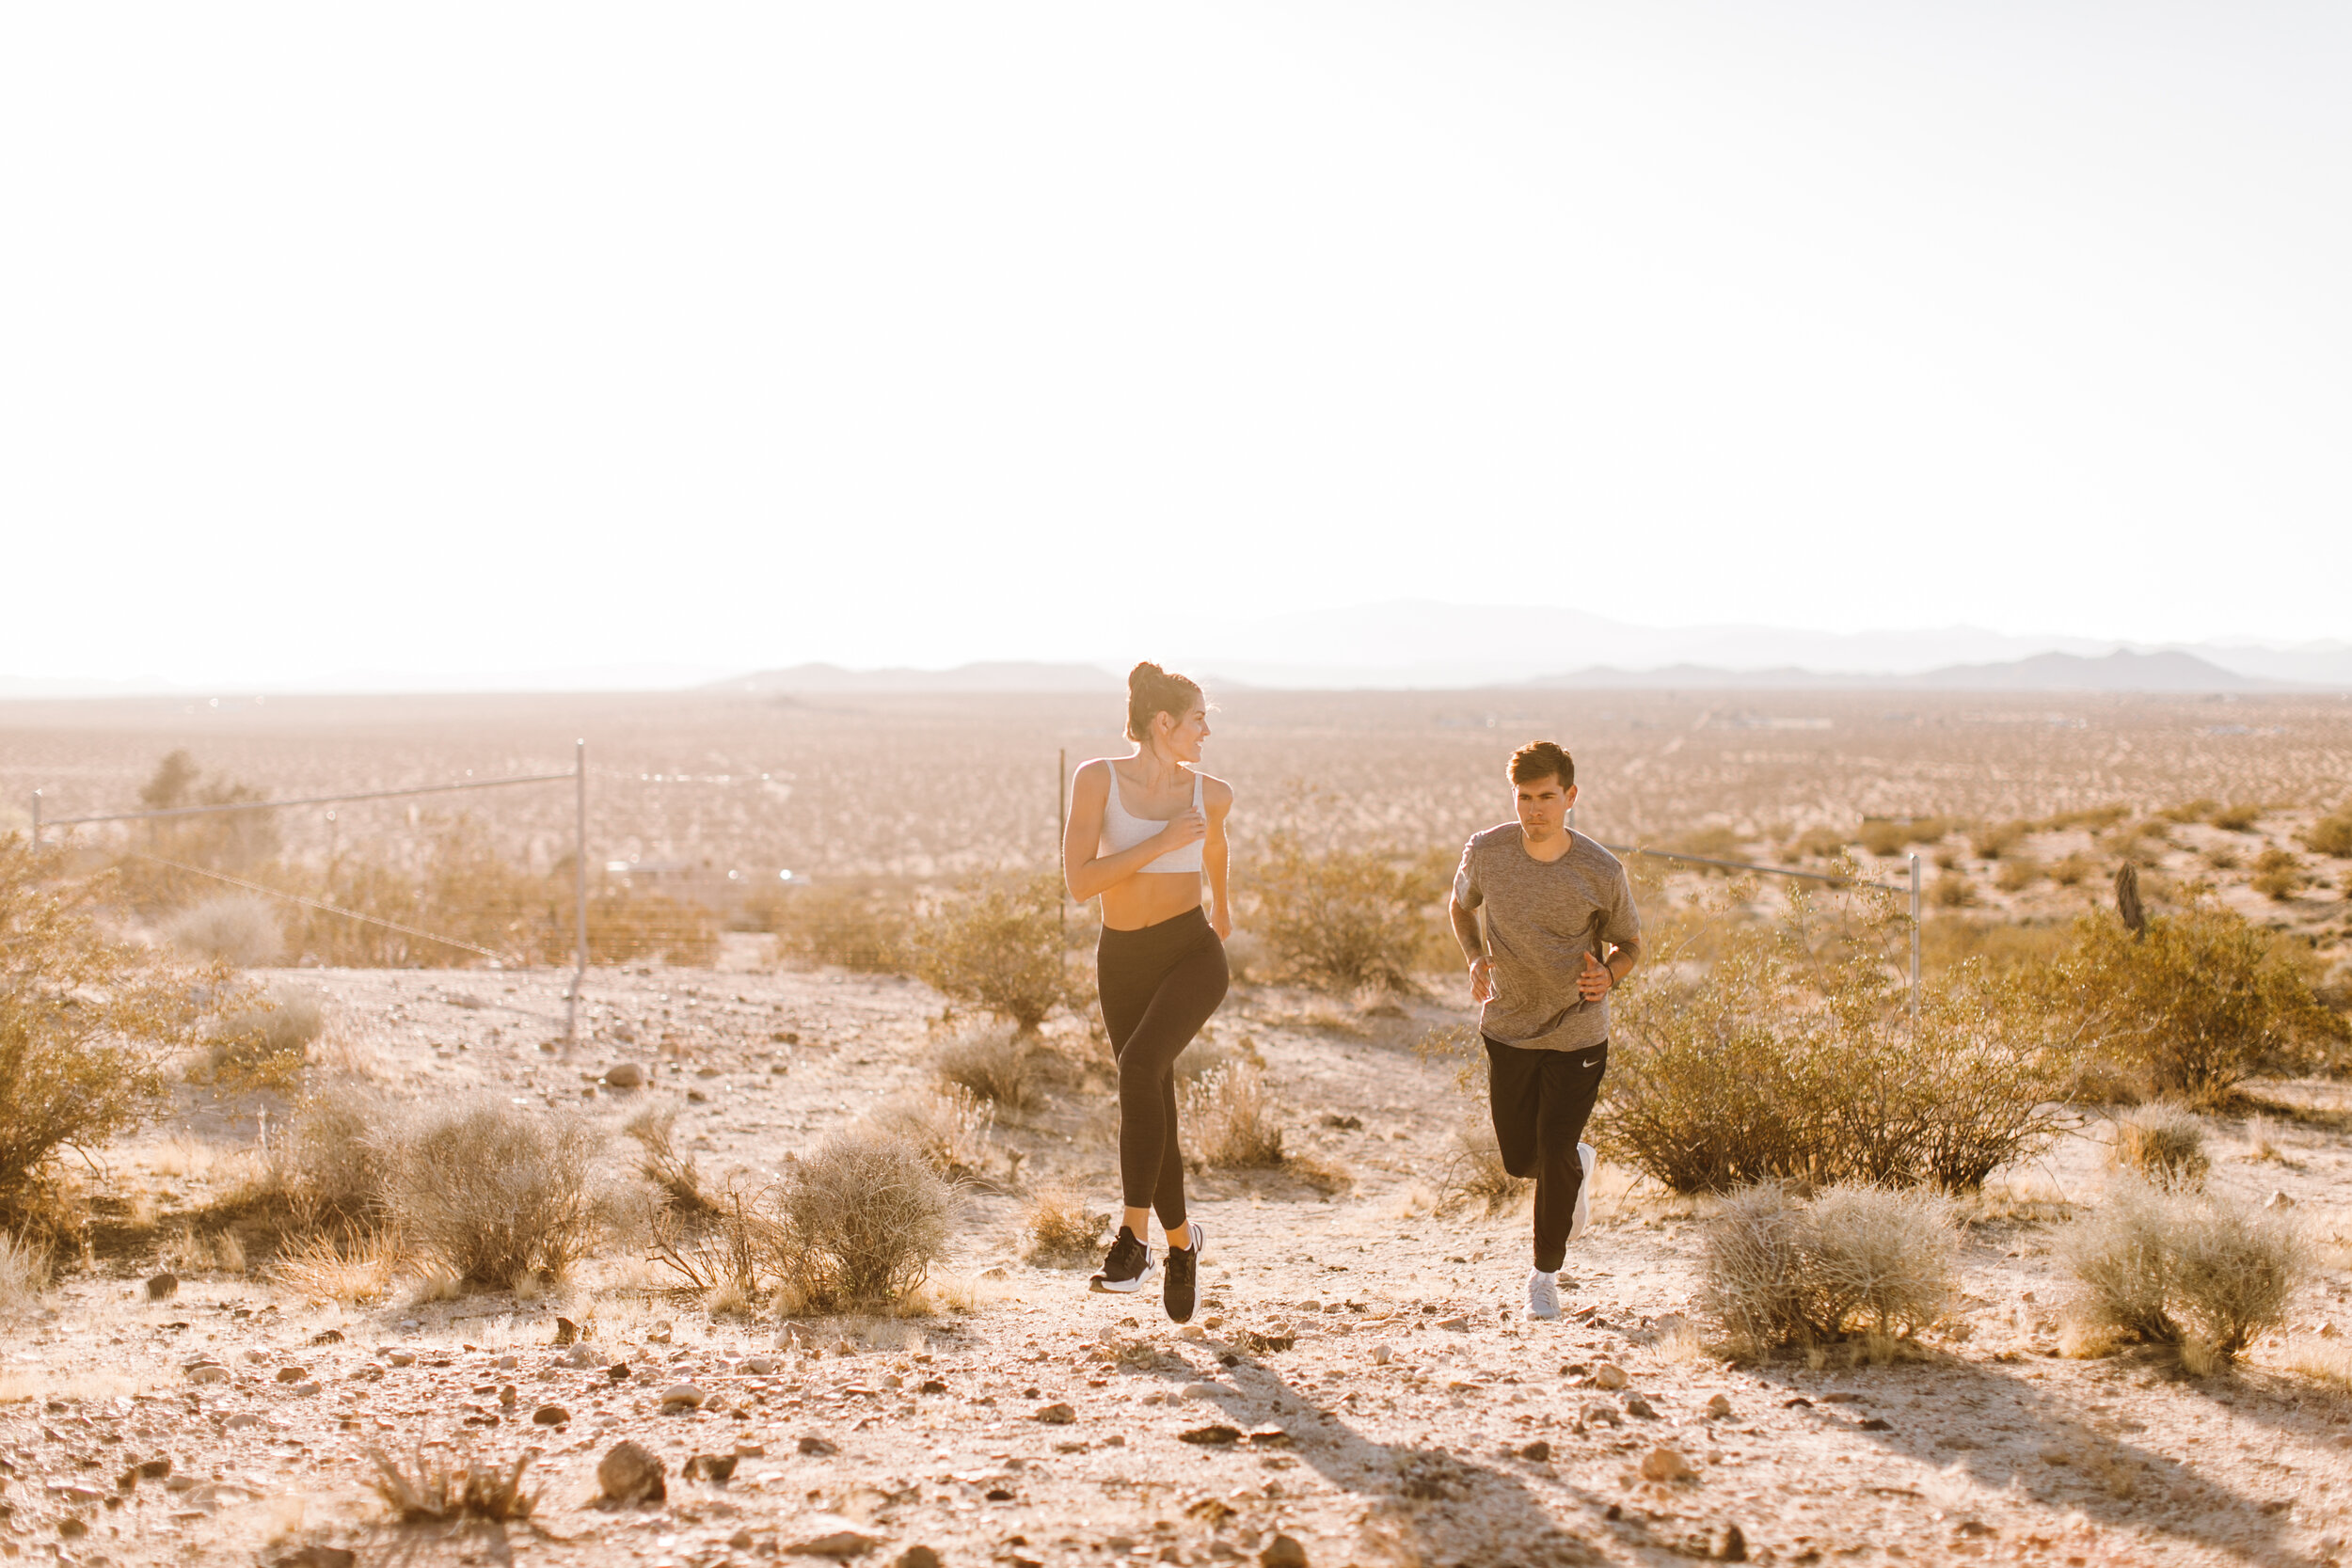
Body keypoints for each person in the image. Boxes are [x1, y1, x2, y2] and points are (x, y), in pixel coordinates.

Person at [1062, 662, 1233, 1323]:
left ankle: (1131, 1241)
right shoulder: (1097, 779)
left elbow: (1215, 848)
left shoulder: (1211, 793)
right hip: (1123, 958)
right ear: (1165, 723)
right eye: (1197, 719)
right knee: (1151, 1093)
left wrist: (1223, 912)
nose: (1205, 730)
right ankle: (1181, 1243)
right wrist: (1160, 842)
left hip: (1191, 953)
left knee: (1138, 1066)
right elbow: (1081, 882)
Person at [1447, 740, 1641, 1320]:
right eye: (1525, 797)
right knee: (1520, 1159)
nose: (1534, 809)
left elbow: (1630, 944)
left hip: (1577, 1033)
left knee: (1552, 1147)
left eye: (1547, 798)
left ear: (1570, 798)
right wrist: (1474, 957)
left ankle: (1544, 1275)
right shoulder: (1487, 850)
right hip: (1507, 1024)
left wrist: (1608, 975)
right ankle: (1573, 1165)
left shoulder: (1600, 869)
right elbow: (1460, 906)